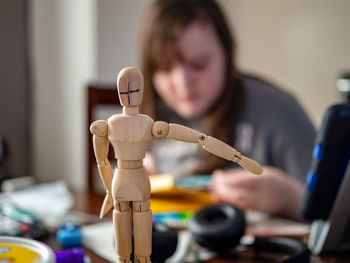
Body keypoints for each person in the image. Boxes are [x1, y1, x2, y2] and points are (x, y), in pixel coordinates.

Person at [138, 0, 316, 221]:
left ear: (227, 53)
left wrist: (288, 198)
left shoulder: (278, 111)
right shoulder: (153, 118)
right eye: (165, 69)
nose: (183, 83)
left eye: (199, 64)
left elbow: (334, 215)